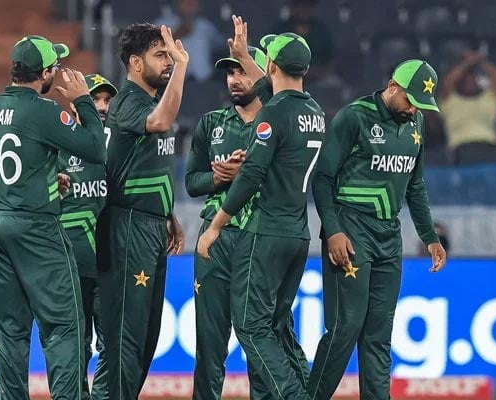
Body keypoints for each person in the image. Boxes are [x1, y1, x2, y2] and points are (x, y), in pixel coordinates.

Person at [0, 35, 107, 399]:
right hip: (35, 229)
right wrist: (82, 100)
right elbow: (96, 149)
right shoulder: (45, 111)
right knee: (64, 326)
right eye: (55, 67)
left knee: (10, 331)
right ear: (44, 72)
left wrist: (42, 180)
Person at [307, 59, 448, 400]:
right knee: (346, 326)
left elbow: (415, 185)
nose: (415, 109)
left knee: (378, 335)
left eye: (421, 105)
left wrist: (430, 237)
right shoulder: (354, 117)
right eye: (410, 101)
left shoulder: (415, 125)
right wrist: (334, 230)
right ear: (392, 87)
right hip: (350, 230)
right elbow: (322, 178)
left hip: (389, 234)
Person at [197, 27, 324, 398]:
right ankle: (307, 389)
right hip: (299, 233)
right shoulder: (313, 111)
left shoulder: (271, 117)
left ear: (271, 64)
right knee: (278, 326)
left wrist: (216, 226)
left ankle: (294, 395)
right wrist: (244, 55)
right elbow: (272, 89)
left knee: (252, 328)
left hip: (265, 232)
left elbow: (251, 174)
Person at [96, 23, 186, 399]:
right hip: (128, 226)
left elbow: (147, 165)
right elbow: (161, 123)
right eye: (159, 55)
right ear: (135, 63)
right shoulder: (130, 101)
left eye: (169, 54)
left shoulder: (149, 101)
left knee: (147, 337)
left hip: (151, 225)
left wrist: (168, 214)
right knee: (125, 339)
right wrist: (182, 65)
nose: (167, 61)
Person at [185, 45, 269, 400]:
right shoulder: (211, 123)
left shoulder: (278, 123)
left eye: (243, 72)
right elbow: (192, 183)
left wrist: (248, 173)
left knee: (261, 339)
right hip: (214, 242)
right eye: (230, 72)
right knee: (210, 342)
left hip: (261, 236)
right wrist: (218, 179)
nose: (235, 79)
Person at [58, 73, 117, 400]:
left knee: (110, 342)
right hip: (69, 264)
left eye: (108, 100)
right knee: (73, 343)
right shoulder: (58, 143)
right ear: (78, 102)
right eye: (96, 99)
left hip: (108, 263)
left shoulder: (119, 148)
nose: (103, 107)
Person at [440, 51, 496, 159]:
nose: (469, 82)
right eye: (465, 79)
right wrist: (468, 63)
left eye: (472, 78)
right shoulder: (450, 101)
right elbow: (448, 82)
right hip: (461, 149)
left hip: (490, 147)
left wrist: (480, 61)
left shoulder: (489, 99)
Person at [154, 0, 224, 81]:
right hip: (173, 82)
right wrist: (176, 36)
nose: (190, 3)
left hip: (205, 81)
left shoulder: (205, 25)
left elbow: (221, 44)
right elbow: (153, 50)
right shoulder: (162, 24)